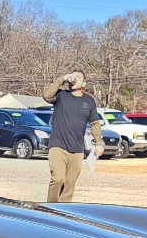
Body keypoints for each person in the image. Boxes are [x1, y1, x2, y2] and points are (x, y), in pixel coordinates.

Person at [42, 71, 104, 203]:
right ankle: (50, 208)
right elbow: (46, 95)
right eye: (73, 76)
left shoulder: (89, 101)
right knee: (58, 179)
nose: (75, 79)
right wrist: (61, 79)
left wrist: (98, 142)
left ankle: (63, 211)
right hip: (58, 145)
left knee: (70, 183)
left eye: (79, 77)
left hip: (77, 149)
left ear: (84, 83)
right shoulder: (61, 95)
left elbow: (94, 123)